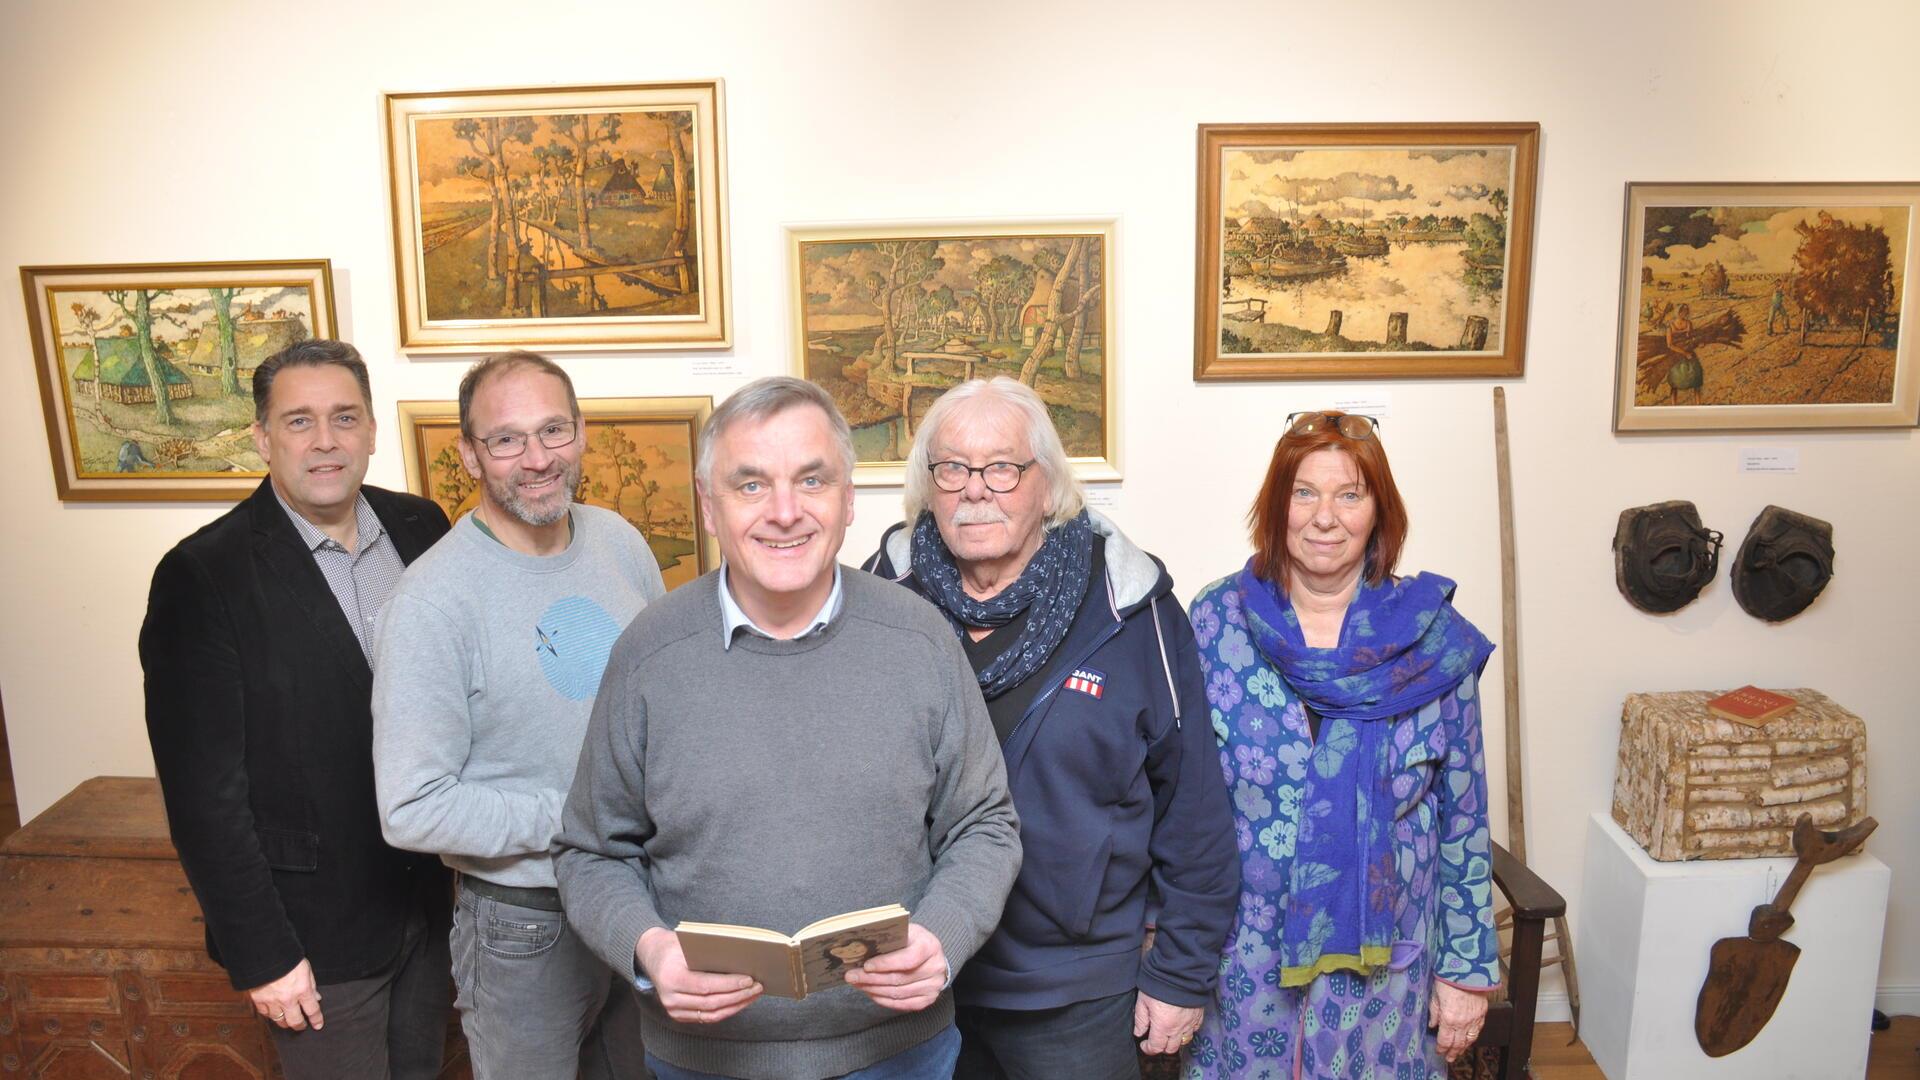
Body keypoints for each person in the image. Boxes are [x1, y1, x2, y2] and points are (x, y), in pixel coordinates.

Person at [553, 376, 1022, 1080]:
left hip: (901, 1056)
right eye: (750, 485)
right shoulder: (648, 655)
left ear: (848, 500)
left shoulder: (920, 639)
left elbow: (985, 823)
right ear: (709, 507)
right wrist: (649, 949)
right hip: (701, 1064)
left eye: (811, 480)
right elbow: (589, 851)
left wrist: (941, 935)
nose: (783, 512)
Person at [862, 377, 1238, 1078]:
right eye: (952, 468)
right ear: (927, 487)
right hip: (911, 979)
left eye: (1002, 467)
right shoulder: (881, 602)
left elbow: (1195, 809)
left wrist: (1182, 975)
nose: (976, 489)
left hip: (1078, 992)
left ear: (1047, 486)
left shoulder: (1131, 612)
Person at [140, 339, 454, 1080]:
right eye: (299, 421)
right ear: (262, 437)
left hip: (430, 907)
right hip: (312, 941)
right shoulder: (202, 575)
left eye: (344, 418)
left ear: (372, 430)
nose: (325, 441)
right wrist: (264, 956)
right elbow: (202, 798)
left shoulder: (423, 529)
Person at [371, 351, 665, 1079]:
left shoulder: (618, 541)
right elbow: (410, 809)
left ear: (582, 432)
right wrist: (583, 816)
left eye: (554, 430)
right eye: (506, 439)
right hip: (524, 925)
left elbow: (665, 702)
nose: (537, 459)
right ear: (469, 455)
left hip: (638, 901)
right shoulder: (431, 602)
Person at [1183, 411, 1500, 1080]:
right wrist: (1166, 950)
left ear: (1379, 513)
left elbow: (1464, 818)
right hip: (1246, 962)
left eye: (1349, 494)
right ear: (1276, 507)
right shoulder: (1216, 624)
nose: (1325, 517)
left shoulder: (1431, 640)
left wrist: (1467, 973)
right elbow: (1173, 797)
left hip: (1386, 970)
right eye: (1304, 492)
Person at [1666, 302, 1703, 401]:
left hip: (1689, 354)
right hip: (1676, 356)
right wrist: (1685, 353)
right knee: (1675, 382)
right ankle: (1674, 407)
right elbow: (1670, 345)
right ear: (1678, 312)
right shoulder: (1670, 326)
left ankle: (1698, 405)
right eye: (1683, 311)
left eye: (1686, 311)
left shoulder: (1689, 323)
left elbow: (1691, 338)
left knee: (1696, 379)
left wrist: (1697, 343)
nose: (1685, 313)